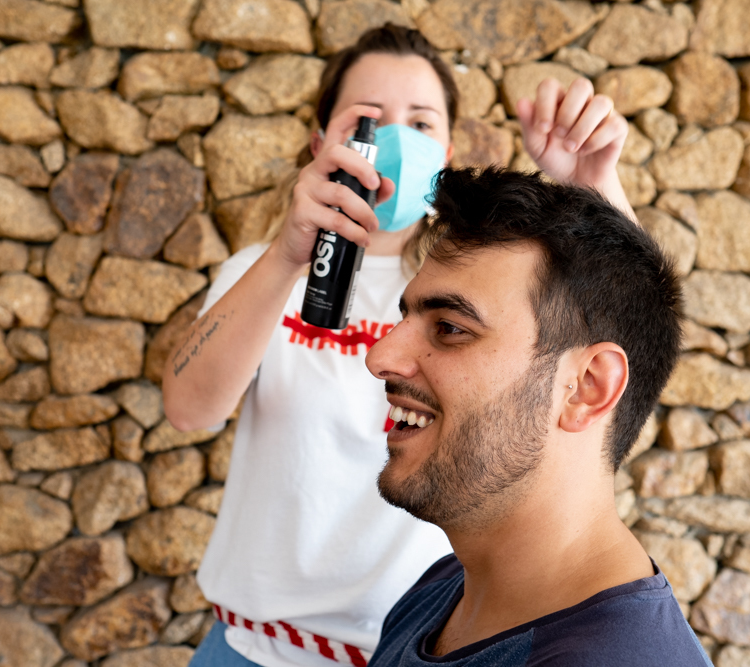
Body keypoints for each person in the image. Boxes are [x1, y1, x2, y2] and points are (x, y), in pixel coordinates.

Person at [163, 23, 635, 667]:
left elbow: (617, 351)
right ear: (320, 142)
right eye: (368, 119)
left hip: (405, 653)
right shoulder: (262, 273)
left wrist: (591, 189)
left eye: (420, 123)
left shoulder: (478, 292)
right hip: (248, 649)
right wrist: (284, 256)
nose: (395, 142)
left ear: (445, 150)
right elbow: (190, 408)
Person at [363, 166, 712, 666]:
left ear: (586, 389)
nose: (380, 356)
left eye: (450, 328)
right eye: (405, 318)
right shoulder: (442, 589)